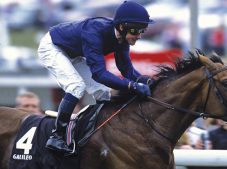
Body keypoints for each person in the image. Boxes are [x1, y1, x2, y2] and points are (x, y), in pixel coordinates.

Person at [37, 1, 154, 153]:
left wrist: (147, 81)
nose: (138, 36)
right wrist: (132, 86)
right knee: (76, 86)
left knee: (103, 92)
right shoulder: (95, 31)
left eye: (142, 31)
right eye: (135, 31)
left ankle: (102, 131)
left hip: (75, 53)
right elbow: (99, 74)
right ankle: (57, 136)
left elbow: (127, 71)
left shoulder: (122, 39)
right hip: (53, 47)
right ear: (121, 27)